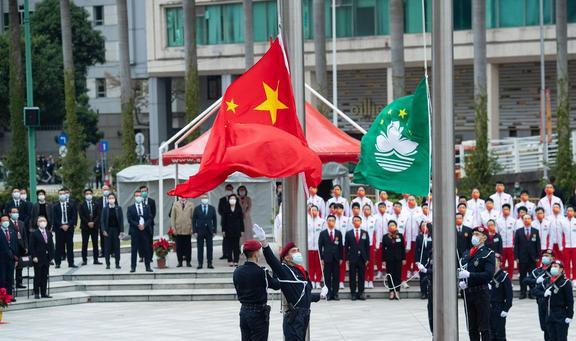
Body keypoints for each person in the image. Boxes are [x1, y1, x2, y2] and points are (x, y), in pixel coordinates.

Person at [253, 225, 327, 341]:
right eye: (293, 251)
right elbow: (271, 260)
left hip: (304, 316)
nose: (297, 253)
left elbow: (304, 296)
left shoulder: (301, 271)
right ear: (286, 257)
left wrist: (320, 295)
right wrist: (264, 242)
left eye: (298, 250)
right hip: (294, 317)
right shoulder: (284, 270)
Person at [233, 240, 280, 341]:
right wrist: (276, 268)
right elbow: (276, 285)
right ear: (255, 254)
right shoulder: (261, 272)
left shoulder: (237, 271)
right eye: (259, 251)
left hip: (244, 311)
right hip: (258, 313)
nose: (259, 254)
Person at [458, 226, 496, 341]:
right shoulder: (466, 253)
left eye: (477, 234)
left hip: (481, 293)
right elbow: (460, 270)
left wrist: (470, 275)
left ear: (484, 238)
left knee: (484, 327)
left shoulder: (488, 253)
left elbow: (488, 275)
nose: (474, 236)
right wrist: (461, 282)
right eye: (473, 233)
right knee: (471, 327)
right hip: (468, 293)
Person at [539, 260, 574, 341]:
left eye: (556, 267)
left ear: (561, 269)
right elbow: (535, 291)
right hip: (549, 314)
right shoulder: (548, 281)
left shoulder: (565, 282)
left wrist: (570, 315)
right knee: (551, 338)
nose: (553, 268)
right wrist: (544, 293)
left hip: (561, 314)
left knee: (561, 338)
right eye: (552, 266)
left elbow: (570, 301)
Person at [525, 249, 554, 340]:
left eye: (547, 256)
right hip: (541, 301)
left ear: (552, 258)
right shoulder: (537, 271)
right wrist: (536, 280)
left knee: (552, 327)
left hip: (552, 302)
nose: (545, 258)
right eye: (544, 256)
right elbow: (525, 280)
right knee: (544, 327)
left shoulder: (554, 271)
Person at [515, 214, 541, 299]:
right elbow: (516, 245)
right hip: (522, 258)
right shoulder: (518, 231)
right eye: (525, 218)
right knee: (522, 276)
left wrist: (538, 256)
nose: (527, 220)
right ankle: (523, 292)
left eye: (528, 218)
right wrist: (516, 257)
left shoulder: (535, 231)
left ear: (531, 220)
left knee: (532, 276)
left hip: (532, 258)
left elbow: (538, 245)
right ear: (523, 220)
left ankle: (532, 293)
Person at [318, 215, 343, 300]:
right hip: (327, 258)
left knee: (336, 277)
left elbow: (340, 246)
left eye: (333, 220)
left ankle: (335, 293)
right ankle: (328, 294)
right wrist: (321, 258)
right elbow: (320, 246)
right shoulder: (323, 233)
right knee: (327, 277)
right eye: (329, 220)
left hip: (336, 258)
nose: (331, 222)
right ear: (327, 222)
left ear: (335, 222)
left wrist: (341, 258)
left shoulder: (338, 233)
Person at [127, 190, 153, 273]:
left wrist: (144, 225)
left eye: (139, 195)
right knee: (134, 249)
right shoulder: (130, 208)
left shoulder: (147, 206)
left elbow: (150, 218)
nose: (138, 197)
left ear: (141, 197)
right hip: (135, 231)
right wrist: (137, 225)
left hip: (145, 231)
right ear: (134, 197)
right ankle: (133, 267)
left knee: (146, 249)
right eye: (136, 195)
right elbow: (129, 219)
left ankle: (148, 266)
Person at [29, 216, 54, 299]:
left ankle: (43, 293)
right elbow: (32, 247)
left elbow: (51, 245)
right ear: (37, 223)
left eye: (44, 220)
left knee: (44, 276)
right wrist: (34, 256)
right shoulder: (34, 233)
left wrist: (51, 257)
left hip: (46, 258)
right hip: (38, 258)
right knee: (38, 276)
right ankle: (36, 292)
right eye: (40, 221)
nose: (42, 222)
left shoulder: (49, 233)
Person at [489, 255, 513, 341]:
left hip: (499, 307)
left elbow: (509, 296)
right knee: (489, 334)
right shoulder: (488, 275)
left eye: (495, 261)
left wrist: (506, 309)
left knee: (500, 335)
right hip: (488, 308)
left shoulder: (504, 277)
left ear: (500, 263)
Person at [345, 216, 370, 300]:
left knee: (361, 276)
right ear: (352, 222)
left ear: (361, 222)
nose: (356, 222)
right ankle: (353, 293)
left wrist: (367, 259)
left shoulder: (365, 233)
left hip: (362, 258)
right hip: (352, 258)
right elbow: (346, 247)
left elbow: (367, 247)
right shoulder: (349, 233)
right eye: (355, 220)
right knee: (352, 276)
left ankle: (361, 292)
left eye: (358, 220)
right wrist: (346, 259)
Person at [52, 189, 77, 269]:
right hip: (59, 229)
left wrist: (68, 225)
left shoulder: (71, 205)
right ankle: (58, 263)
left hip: (69, 229)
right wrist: (62, 225)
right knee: (58, 246)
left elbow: (73, 217)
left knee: (70, 246)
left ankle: (71, 263)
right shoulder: (55, 206)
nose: (62, 195)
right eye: (60, 194)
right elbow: (54, 218)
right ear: (58, 195)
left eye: (64, 193)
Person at [383, 220, 406, 300]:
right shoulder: (385, 236)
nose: (392, 227)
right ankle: (391, 291)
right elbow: (383, 249)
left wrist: (404, 258)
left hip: (398, 258)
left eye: (393, 225)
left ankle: (397, 291)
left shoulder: (400, 236)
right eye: (390, 225)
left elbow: (403, 248)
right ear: (388, 227)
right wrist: (383, 260)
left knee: (397, 275)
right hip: (389, 259)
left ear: (396, 226)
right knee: (390, 275)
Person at [192, 194, 217, 269]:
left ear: (208, 199)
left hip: (209, 231)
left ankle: (209, 263)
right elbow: (194, 220)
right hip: (200, 230)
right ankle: (200, 263)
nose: (204, 199)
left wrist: (214, 230)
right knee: (200, 248)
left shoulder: (212, 208)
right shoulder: (197, 208)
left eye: (206, 198)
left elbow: (214, 220)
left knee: (210, 247)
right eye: (203, 198)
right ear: (200, 199)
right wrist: (195, 231)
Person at [100, 193, 123, 269]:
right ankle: (108, 264)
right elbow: (102, 221)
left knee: (117, 247)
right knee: (107, 248)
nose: (111, 199)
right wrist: (103, 230)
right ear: (107, 199)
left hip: (116, 230)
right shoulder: (105, 209)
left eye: (112, 198)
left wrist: (121, 231)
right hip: (108, 230)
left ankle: (117, 263)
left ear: (115, 199)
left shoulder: (118, 208)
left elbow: (121, 220)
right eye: (109, 198)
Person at [79, 189, 101, 266]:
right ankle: (84, 260)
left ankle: (96, 259)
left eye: (90, 193)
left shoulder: (96, 204)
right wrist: (88, 222)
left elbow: (98, 215)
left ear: (92, 194)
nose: (88, 195)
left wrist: (93, 222)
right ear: (85, 195)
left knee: (95, 243)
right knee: (85, 244)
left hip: (94, 227)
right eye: (87, 193)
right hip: (85, 227)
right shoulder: (81, 204)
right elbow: (81, 216)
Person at [402, 195, 422, 281]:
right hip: (407, 236)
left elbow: (421, 222)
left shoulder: (419, 210)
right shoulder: (404, 210)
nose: (411, 201)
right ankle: (407, 271)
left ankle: (416, 270)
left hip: (416, 235)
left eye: (413, 199)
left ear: (415, 200)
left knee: (416, 254)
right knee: (407, 255)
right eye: (409, 200)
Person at [170, 197, 194, 267]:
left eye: (184, 196)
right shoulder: (175, 204)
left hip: (188, 228)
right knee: (179, 247)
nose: (183, 197)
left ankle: (188, 261)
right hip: (178, 229)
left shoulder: (191, 204)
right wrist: (173, 228)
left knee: (188, 247)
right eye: (181, 196)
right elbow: (172, 217)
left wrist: (193, 228)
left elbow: (193, 218)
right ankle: (179, 261)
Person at [222, 194, 244, 267]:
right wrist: (223, 230)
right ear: (229, 200)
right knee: (229, 246)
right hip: (228, 230)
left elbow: (241, 220)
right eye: (231, 198)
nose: (232, 200)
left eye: (234, 198)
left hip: (236, 230)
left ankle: (236, 260)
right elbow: (223, 220)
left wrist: (242, 229)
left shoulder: (238, 208)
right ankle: (230, 260)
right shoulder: (226, 208)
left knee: (236, 246)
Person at [0, 215, 18, 298]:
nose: (6, 222)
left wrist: (16, 257)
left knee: (10, 278)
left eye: (7, 220)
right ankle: (3, 297)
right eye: (4, 221)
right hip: (2, 259)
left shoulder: (12, 231)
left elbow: (15, 245)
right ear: (1, 222)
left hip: (11, 259)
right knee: (2, 279)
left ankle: (9, 296)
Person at [306, 205, 324, 289]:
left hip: (318, 247)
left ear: (318, 211)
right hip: (309, 246)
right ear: (309, 211)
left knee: (318, 265)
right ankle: (312, 280)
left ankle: (318, 281)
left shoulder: (321, 221)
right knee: (311, 264)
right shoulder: (307, 221)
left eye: (315, 210)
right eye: (312, 210)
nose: (314, 212)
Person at [9, 207, 27, 289]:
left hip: (21, 248)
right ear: (10, 214)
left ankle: (19, 283)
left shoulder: (21, 223)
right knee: (11, 267)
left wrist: (26, 246)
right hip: (12, 248)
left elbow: (24, 236)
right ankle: (11, 283)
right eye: (14, 212)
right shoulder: (8, 223)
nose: (16, 214)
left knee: (20, 266)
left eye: (17, 212)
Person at [496, 204, 516, 277]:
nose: (506, 211)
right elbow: (497, 234)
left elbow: (515, 233)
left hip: (511, 246)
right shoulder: (498, 221)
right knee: (502, 264)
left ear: (510, 211)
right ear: (502, 210)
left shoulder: (513, 221)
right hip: (502, 246)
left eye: (507, 209)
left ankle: (510, 279)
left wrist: (514, 245)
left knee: (511, 264)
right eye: (504, 209)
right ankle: (502, 279)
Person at [333, 203, 349, 289]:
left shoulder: (347, 220)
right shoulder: (330, 219)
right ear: (334, 210)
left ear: (343, 210)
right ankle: (335, 281)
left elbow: (349, 232)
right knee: (334, 264)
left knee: (342, 264)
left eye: (340, 208)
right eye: (336, 208)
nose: (338, 210)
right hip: (333, 246)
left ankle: (341, 281)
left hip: (343, 245)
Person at [415, 222, 432, 299]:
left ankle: (430, 291)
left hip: (431, 258)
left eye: (426, 226)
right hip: (422, 259)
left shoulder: (432, 236)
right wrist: (417, 261)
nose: (425, 227)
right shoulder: (419, 237)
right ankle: (423, 292)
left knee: (430, 274)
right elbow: (416, 250)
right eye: (423, 226)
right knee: (422, 276)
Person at [361, 204, 377, 288]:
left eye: (368, 209)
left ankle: (370, 280)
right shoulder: (360, 219)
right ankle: (364, 279)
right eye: (365, 209)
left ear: (370, 210)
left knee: (371, 263)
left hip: (371, 245)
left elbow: (376, 232)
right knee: (363, 263)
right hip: (362, 245)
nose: (366, 210)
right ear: (362, 210)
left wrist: (376, 244)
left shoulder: (374, 219)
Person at [139, 185, 156, 264]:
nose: (143, 192)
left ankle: (150, 257)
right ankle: (141, 256)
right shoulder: (138, 201)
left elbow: (153, 213)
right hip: (140, 225)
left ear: (147, 192)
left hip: (149, 225)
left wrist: (147, 223)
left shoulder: (152, 201)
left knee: (149, 241)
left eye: (145, 191)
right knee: (141, 240)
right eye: (142, 191)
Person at [218, 184, 235, 260]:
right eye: (227, 189)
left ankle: (232, 254)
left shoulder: (235, 199)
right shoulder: (222, 200)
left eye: (230, 189)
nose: (228, 191)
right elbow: (219, 210)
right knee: (225, 238)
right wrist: (225, 215)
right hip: (225, 221)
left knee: (233, 239)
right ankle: (225, 253)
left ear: (232, 190)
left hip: (233, 222)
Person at [563, 206, 576, 283]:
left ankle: (574, 279)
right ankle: (567, 278)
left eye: (571, 211)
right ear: (566, 212)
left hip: (575, 246)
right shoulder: (563, 222)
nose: (569, 212)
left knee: (575, 263)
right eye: (568, 210)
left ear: (574, 212)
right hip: (566, 246)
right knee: (566, 263)